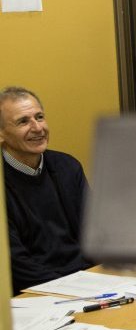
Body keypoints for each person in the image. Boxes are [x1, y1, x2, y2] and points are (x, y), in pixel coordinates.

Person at [1, 87, 91, 294]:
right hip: (33, 294)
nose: (37, 128)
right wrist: (70, 290)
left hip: (86, 282)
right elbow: (16, 265)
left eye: (39, 117)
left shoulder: (67, 167)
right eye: (23, 121)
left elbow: (95, 234)